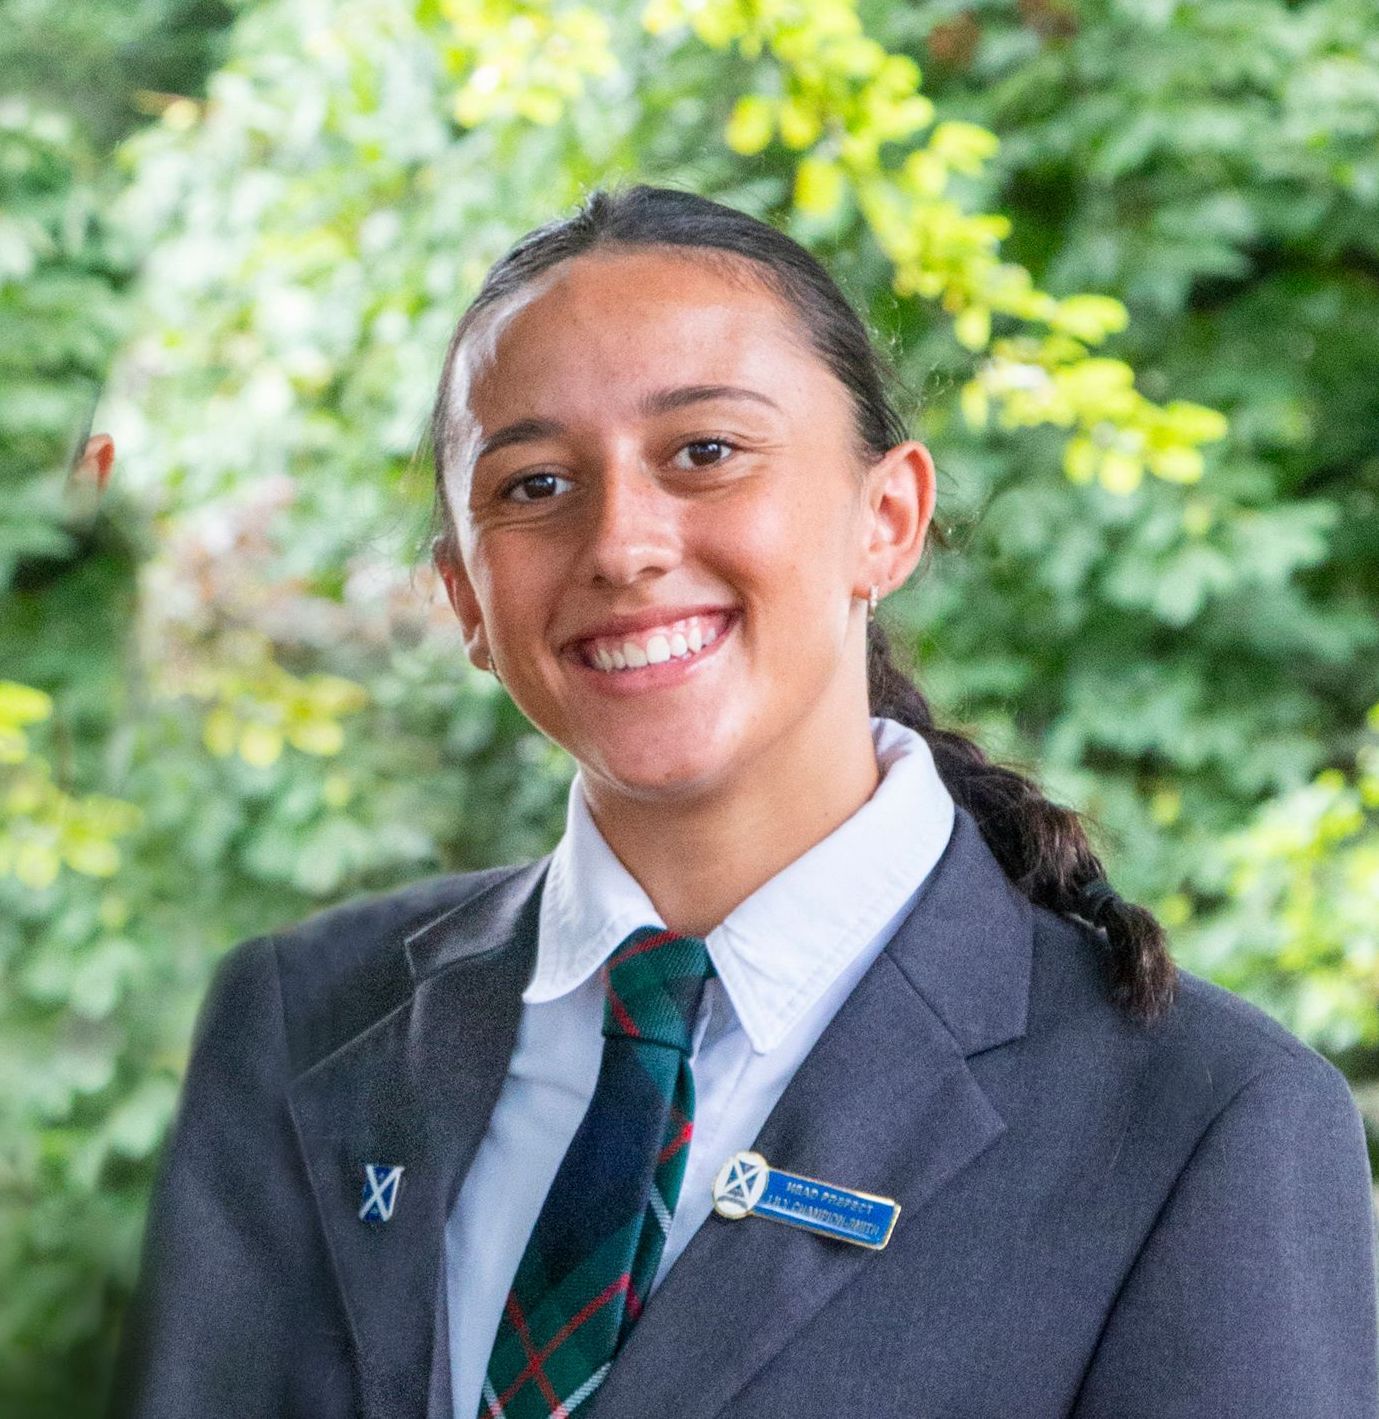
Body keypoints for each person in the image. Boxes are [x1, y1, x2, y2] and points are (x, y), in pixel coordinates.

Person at [108, 184, 1378, 1419]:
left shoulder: (1203, 1119)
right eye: (535, 485)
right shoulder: (295, 1023)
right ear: (463, 602)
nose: (621, 543)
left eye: (704, 452)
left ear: (886, 518)